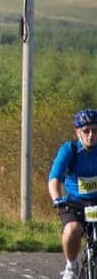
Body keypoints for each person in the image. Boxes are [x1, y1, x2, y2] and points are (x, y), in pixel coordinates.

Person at [49, 109, 97, 279]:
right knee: (73, 230)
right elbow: (54, 178)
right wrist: (57, 198)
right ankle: (71, 266)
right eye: (86, 131)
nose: (91, 135)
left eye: (95, 130)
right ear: (78, 132)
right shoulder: (69, 150)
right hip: (75, 203)